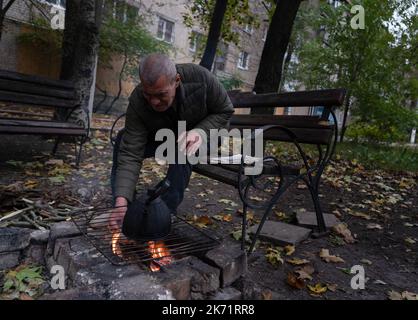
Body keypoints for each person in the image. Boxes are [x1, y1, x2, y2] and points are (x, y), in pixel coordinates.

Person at [109, 53, 234, 231]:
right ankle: (124, 206)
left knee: (183, 147)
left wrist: (199, 132)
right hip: (170, 136)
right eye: (148, 94)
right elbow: (131, 152)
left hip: (208, 134)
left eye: (161, 95)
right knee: (123, 138)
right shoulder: (138, 100)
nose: (153, 102)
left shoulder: (201, 78)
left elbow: (224, 111)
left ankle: (162, 215)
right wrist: (121, 200)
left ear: (176, 80)